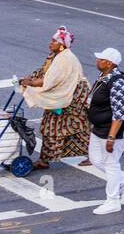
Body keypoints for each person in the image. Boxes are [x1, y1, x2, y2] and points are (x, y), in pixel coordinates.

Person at [17, 26, 90, 170]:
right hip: (63, 96)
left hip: (71, 98)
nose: (50, 43)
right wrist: (29, 79)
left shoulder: (65, 58)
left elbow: (49, 81)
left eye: (54, 41)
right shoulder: (54, 56)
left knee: (76, 127)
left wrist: (30, 83)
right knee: (53, 127)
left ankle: (94, 155)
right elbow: (43, 72)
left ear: (62, 45)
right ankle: (44, 160)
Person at [87, 47, 124, 215]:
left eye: (100, 59)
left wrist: (111, 137)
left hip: (113, 130)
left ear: (109, 63)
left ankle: (113, 201)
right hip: (99, 128)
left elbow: (120, 113)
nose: (97, 61)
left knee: (111, 164)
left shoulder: (118, 83)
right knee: (95, 160)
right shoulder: (104, 77)